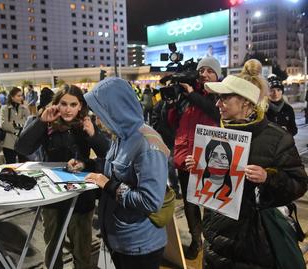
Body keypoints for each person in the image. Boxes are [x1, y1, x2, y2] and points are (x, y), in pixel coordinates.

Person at [186, 61, 308, 268]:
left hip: (254, 246)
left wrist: (268, 178)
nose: (218, 104)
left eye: (225, 98)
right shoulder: (215, 134)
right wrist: (198, 166)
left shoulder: (277, 138)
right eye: (217, 98)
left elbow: (299, 183)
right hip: (215, 239)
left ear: (246, 102)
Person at [15, 84, 109, 269]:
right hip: (53, 198)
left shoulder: (86, 124)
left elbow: (108, 156)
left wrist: (93, 136)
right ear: (56, 104)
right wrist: (40, 122)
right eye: (64, 103)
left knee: (82, 251)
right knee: (53, 249)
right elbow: (22, 148)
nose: (68, 109)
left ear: (80, 106)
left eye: (73, 104)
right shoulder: (48, 122)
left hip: (81, 198)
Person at [83, 77, 168, 269]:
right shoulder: (121, 135)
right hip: (120, 239)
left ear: (116, 110)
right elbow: (116, 170)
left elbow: (151, 201)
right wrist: (88, 165)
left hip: (139, 246)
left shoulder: (147, 142)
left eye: (101, 112)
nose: (98, 119)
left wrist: (109, 185)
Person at [167, 56, 222, 259]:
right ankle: (196, 240)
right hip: (185, 157)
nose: (204, 75)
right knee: (190, 203)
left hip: (209, 157)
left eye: (209, 71)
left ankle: (211, 240)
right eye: (202, 71)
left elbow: (215, 113)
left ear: (217, 74)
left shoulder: (220, 93)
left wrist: (191, 95)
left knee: (210, 202)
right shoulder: (188, 93)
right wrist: (171, 104)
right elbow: (173, 123)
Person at [0, 87, 30, 164]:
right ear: (12, 97)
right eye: (18, 96)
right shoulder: (4, 108)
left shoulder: (25, 108)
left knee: (24, 166)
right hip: (9, 143)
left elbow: (28, 123)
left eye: (21, 95)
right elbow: (4, 125)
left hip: (22, 142)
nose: (21, 97)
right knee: (10, 167)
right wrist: (19, 126)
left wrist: (14, 123)